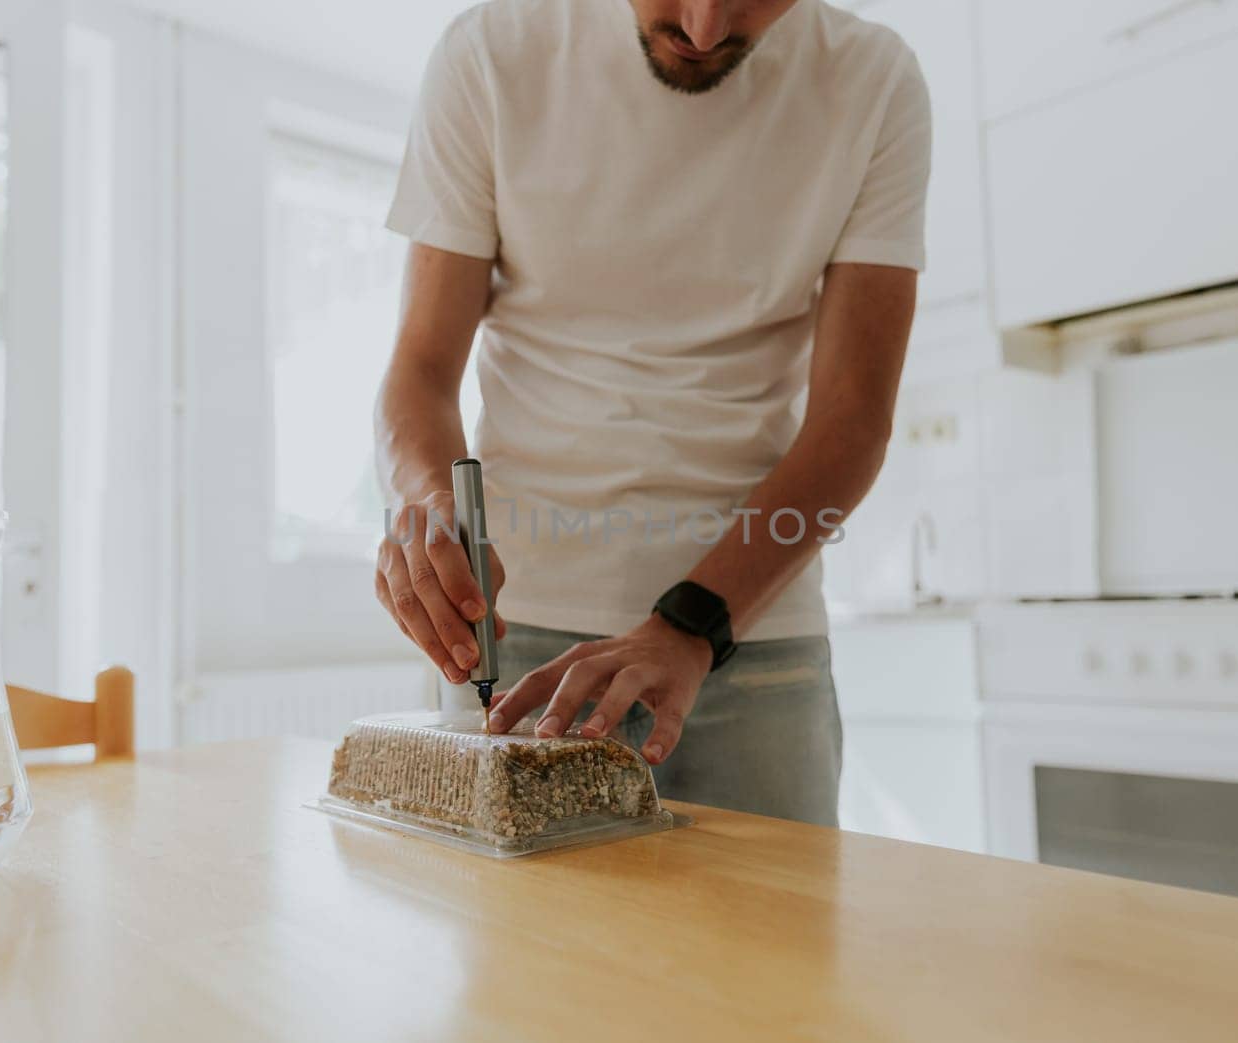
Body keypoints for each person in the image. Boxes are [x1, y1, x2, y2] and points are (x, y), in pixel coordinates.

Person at [373, 0, 930, 825]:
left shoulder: (875, 81)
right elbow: (419, 370)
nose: (704, 29)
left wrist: (692, 625)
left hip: (751, 641)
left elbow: (852, 420)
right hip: (521, 643)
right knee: (524, 954)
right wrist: (427, 505)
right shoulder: (490, 54)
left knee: (769, 953)